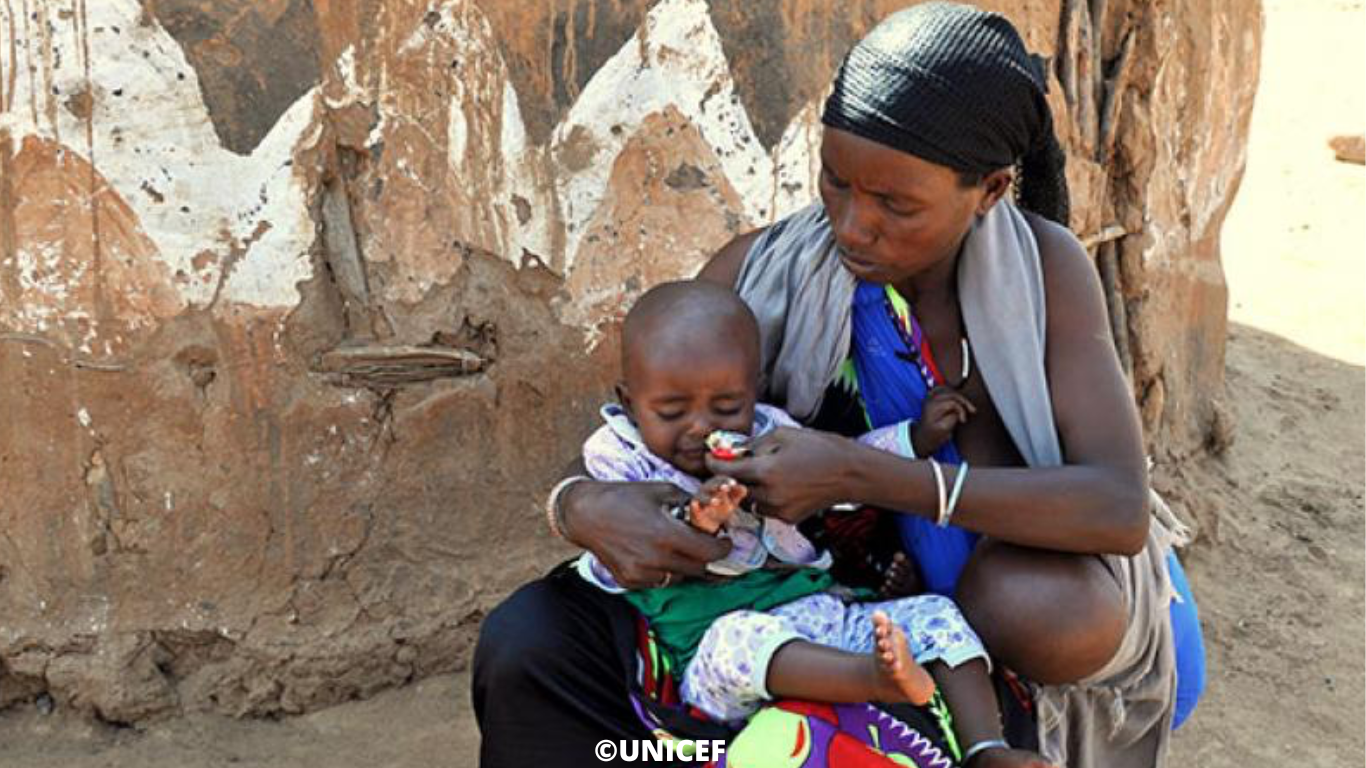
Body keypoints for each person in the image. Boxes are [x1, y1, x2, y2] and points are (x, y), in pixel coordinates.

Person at [473, 4, 1205, 768]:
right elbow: (630, 432)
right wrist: (583, 506)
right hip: (790, 600)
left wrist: (864, 475)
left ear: (988, 190)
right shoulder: (766, 271)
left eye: (895, 204)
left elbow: (1116, 508)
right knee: (533, 642)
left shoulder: (1047, 275)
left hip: (978, 643)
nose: (853, 226)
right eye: (836, 182)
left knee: (1017, 617)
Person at [566, 280, 1051, 767]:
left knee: (936, 615)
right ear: (630, 403)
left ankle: (986, 747)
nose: (701, 427)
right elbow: (618, 549)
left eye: (728, 407)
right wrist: (693, 519)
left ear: (753, 391)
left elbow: (846, 464)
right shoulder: (619, 457)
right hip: (713, 652)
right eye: (672, 411)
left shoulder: (771, 432)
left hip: (815, 612)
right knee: (739, 639)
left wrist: (916, 438)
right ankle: (874, 680)